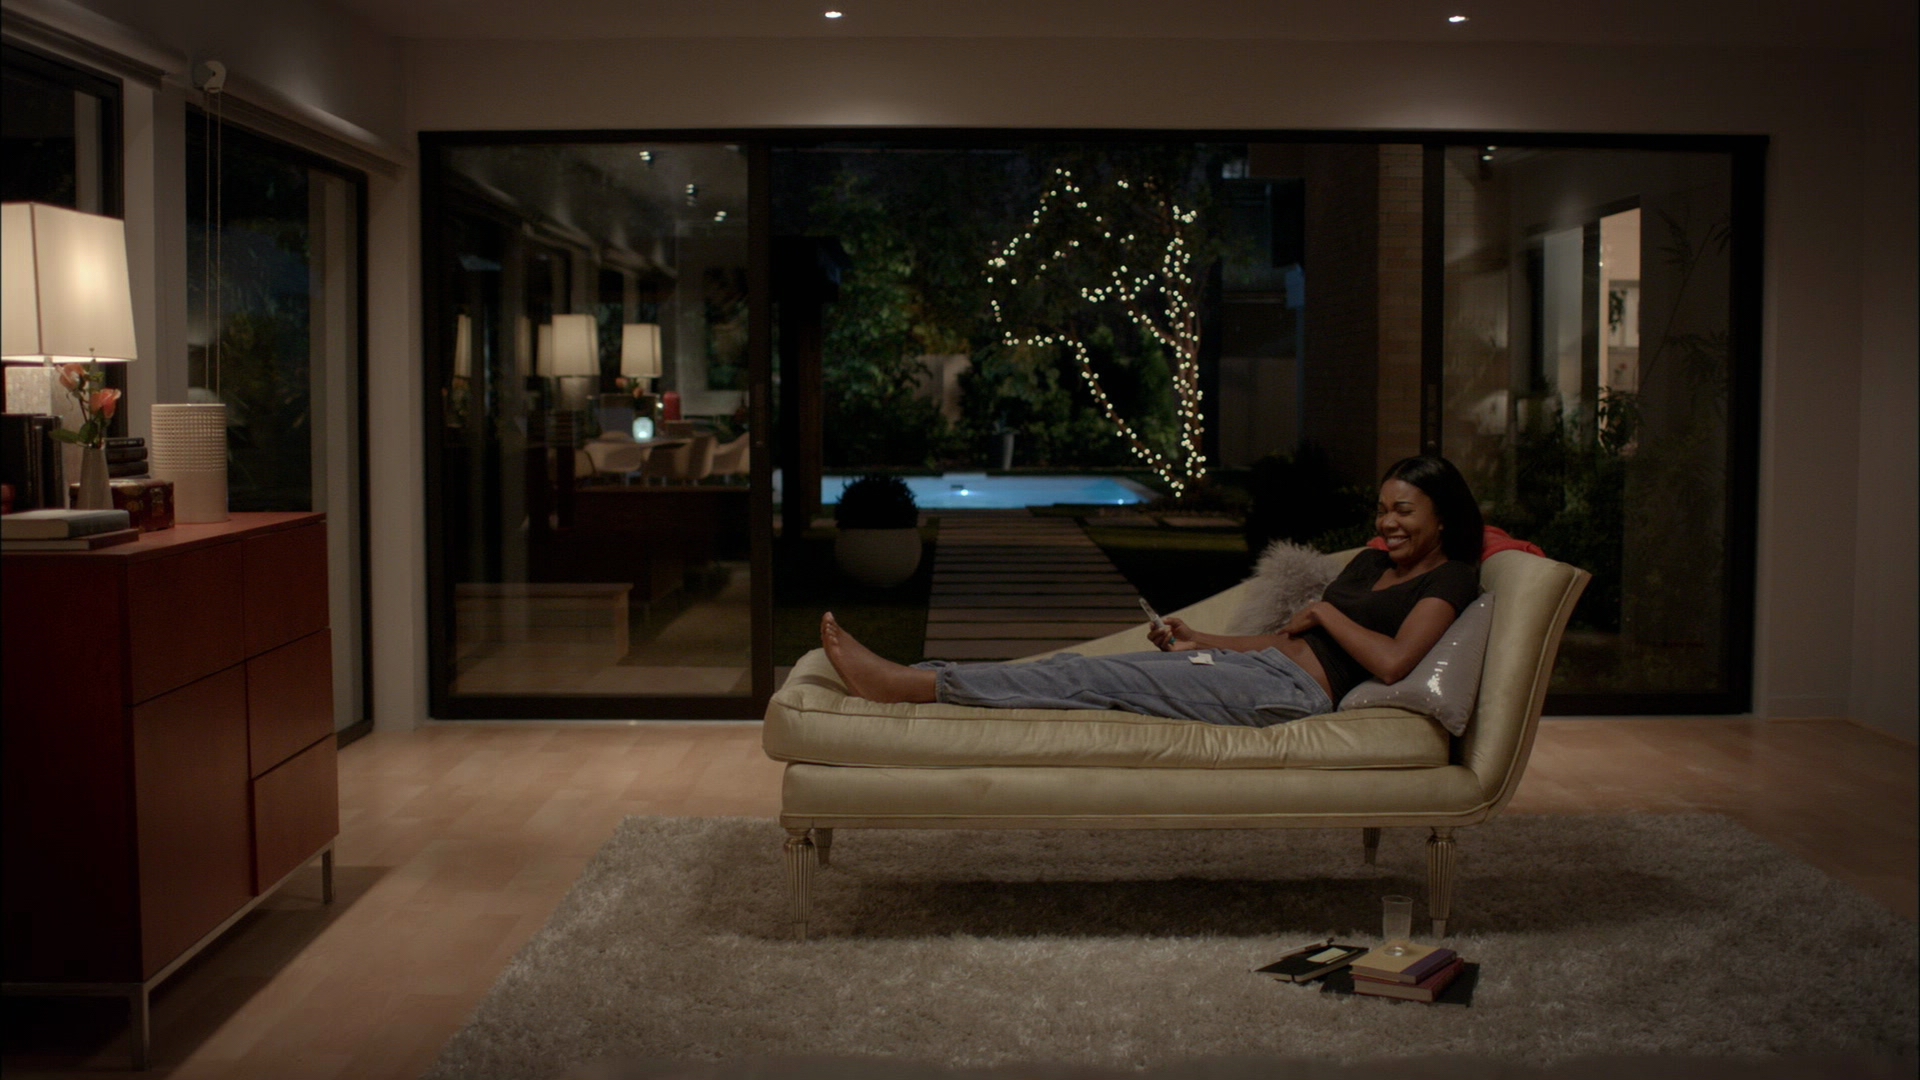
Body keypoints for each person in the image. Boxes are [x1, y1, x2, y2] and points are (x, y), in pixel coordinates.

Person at [820, 455, 1485, 727]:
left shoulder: (1449, 577)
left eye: (1404, 511)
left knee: (1085, 678)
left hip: (1291, 696)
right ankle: (920, 677)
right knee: (1080, 669)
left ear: (1443, 516)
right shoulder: (1369, 564)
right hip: (1260, 666)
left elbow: (1394, 663)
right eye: (1382, 510)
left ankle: (914, 685)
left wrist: (1324, 614)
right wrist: (1202, 641)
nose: (1388, 523)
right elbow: (1283, 639)